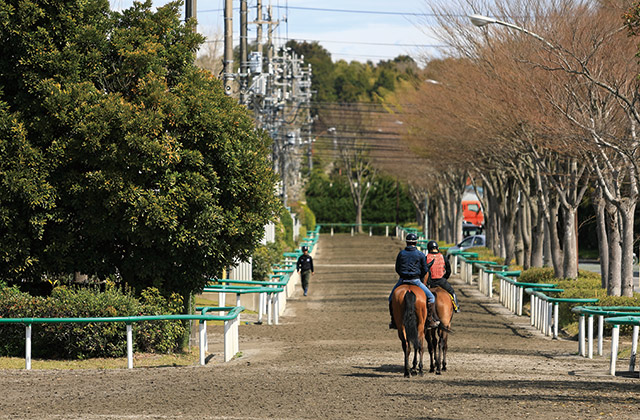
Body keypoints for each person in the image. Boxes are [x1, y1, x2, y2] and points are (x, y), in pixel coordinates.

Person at [389, 233, 440, 329]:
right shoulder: (420, 254)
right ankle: (430, 320)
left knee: (391, 298)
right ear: (416, 242)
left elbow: (397, 268)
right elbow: (425, 269)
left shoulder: (401, 253)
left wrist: (402, 275)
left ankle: (393, 321)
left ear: (407, 242)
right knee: (431, 298)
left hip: (403, 280)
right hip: (416, 280)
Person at [425, 240, 459, 312]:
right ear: (437, 248)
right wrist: (445, 278)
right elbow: (448, 270)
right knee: (452, 292)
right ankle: (456, 307)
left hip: (430, 282)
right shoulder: (443, 257)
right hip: (441, 281)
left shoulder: (426, 258)